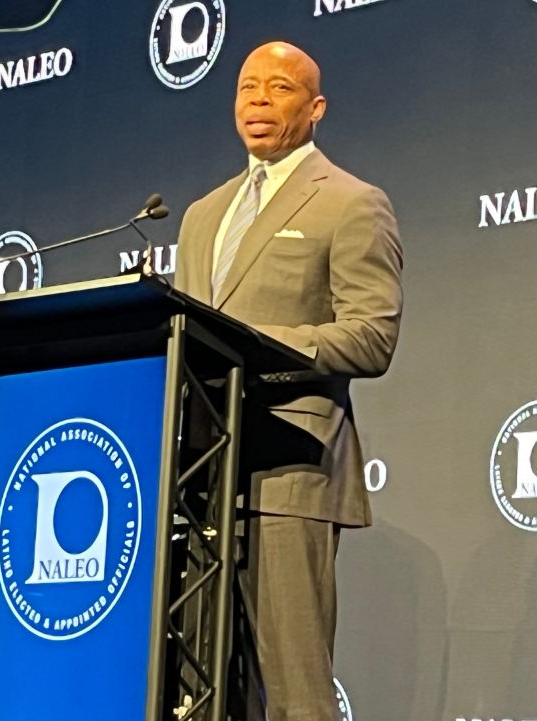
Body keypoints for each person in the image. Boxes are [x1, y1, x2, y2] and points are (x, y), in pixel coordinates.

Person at [172, 41, 403, 721]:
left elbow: (372, 335)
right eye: (248, 88)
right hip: (198, 480)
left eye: (279, 88)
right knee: (204, 690)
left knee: (296, 692)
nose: (259, 102)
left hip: (290, 471)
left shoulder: (352, 203)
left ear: (316, 108)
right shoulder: (200, 214)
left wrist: (258, 347)